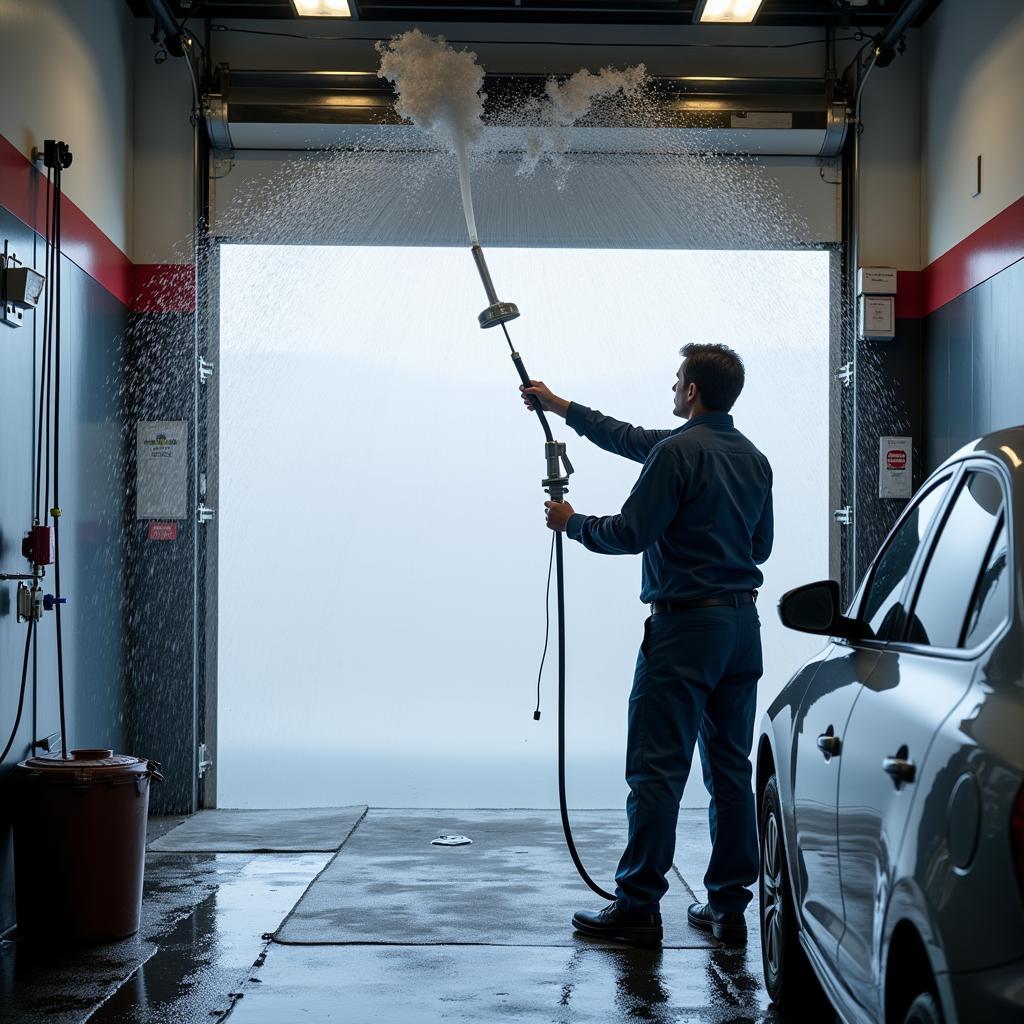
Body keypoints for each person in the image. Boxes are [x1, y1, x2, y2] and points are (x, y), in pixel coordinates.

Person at [521, 343, 773, 947]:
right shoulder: (754, 458)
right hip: (742, 630)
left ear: (690, 391)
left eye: (676, 380)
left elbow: (632, 532)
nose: (671, 387)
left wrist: (573, 524)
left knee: (657, 774)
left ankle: (637, 907)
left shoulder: (675, 453)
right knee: (730, 773)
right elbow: (759, 548)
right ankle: (728, 910)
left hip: (684, 629)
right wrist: (560, 407)